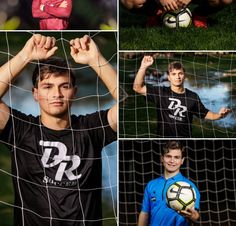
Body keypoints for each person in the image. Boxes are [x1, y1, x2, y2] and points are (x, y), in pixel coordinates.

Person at [0, 33, 117, 226]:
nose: (57, 94)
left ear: (75, 92)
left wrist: (95, 60)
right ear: (35, 94)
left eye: (64, 86)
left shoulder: (92, 129)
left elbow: (131, 106)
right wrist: (25, 56)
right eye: (47, 86)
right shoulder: (20, 129)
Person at [133, 55, 231, 137]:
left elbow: (204, 114)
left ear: (184, 75)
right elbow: (137, 88)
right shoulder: (160, 92)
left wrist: (219, 115)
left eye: (180, 73)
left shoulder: (192, 97)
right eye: (174, 74)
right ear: (169, 77)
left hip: (185, 138)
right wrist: (143, 66)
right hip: (162, 138)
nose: (177, 77)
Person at [138, 141, 200, 226]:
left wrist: (193, 216)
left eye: (176, 157)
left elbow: (195, 215)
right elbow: (144, 213)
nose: (172, 161)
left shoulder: (189, 186)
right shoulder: (151, 185)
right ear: (162, 158)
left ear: (182, 160)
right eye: (168, 156)